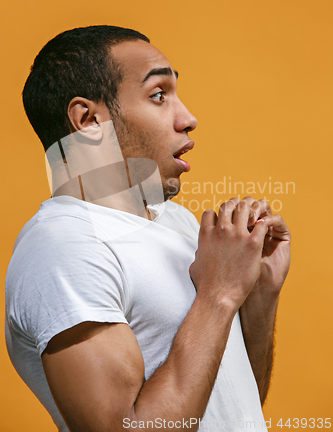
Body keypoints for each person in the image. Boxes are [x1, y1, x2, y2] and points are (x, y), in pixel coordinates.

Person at [5, 26, 291, 432]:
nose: (188, 118)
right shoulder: (64, 247)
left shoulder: (177, 221)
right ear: (88, 121)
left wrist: (259, 292)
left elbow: (233, 405)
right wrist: (221, 293)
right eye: (159, 95)